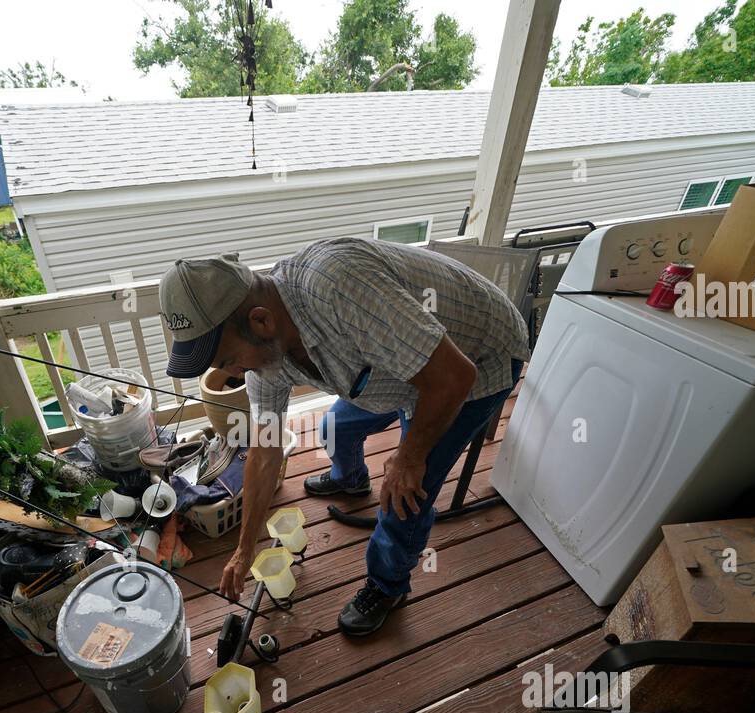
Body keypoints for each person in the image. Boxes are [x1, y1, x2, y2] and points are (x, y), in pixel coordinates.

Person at [160, 237, 529, 637]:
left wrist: (408, 457)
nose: (234, 372)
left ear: (261, 321)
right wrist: (245, 548)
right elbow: (264, 454)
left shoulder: (338, 287)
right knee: (334, 427)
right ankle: (351, 480)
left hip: (473, 360)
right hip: (398, 364)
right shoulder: (265, 354)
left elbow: (453, 376)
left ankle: (387, 585)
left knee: (403, 493)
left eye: (228, 360)